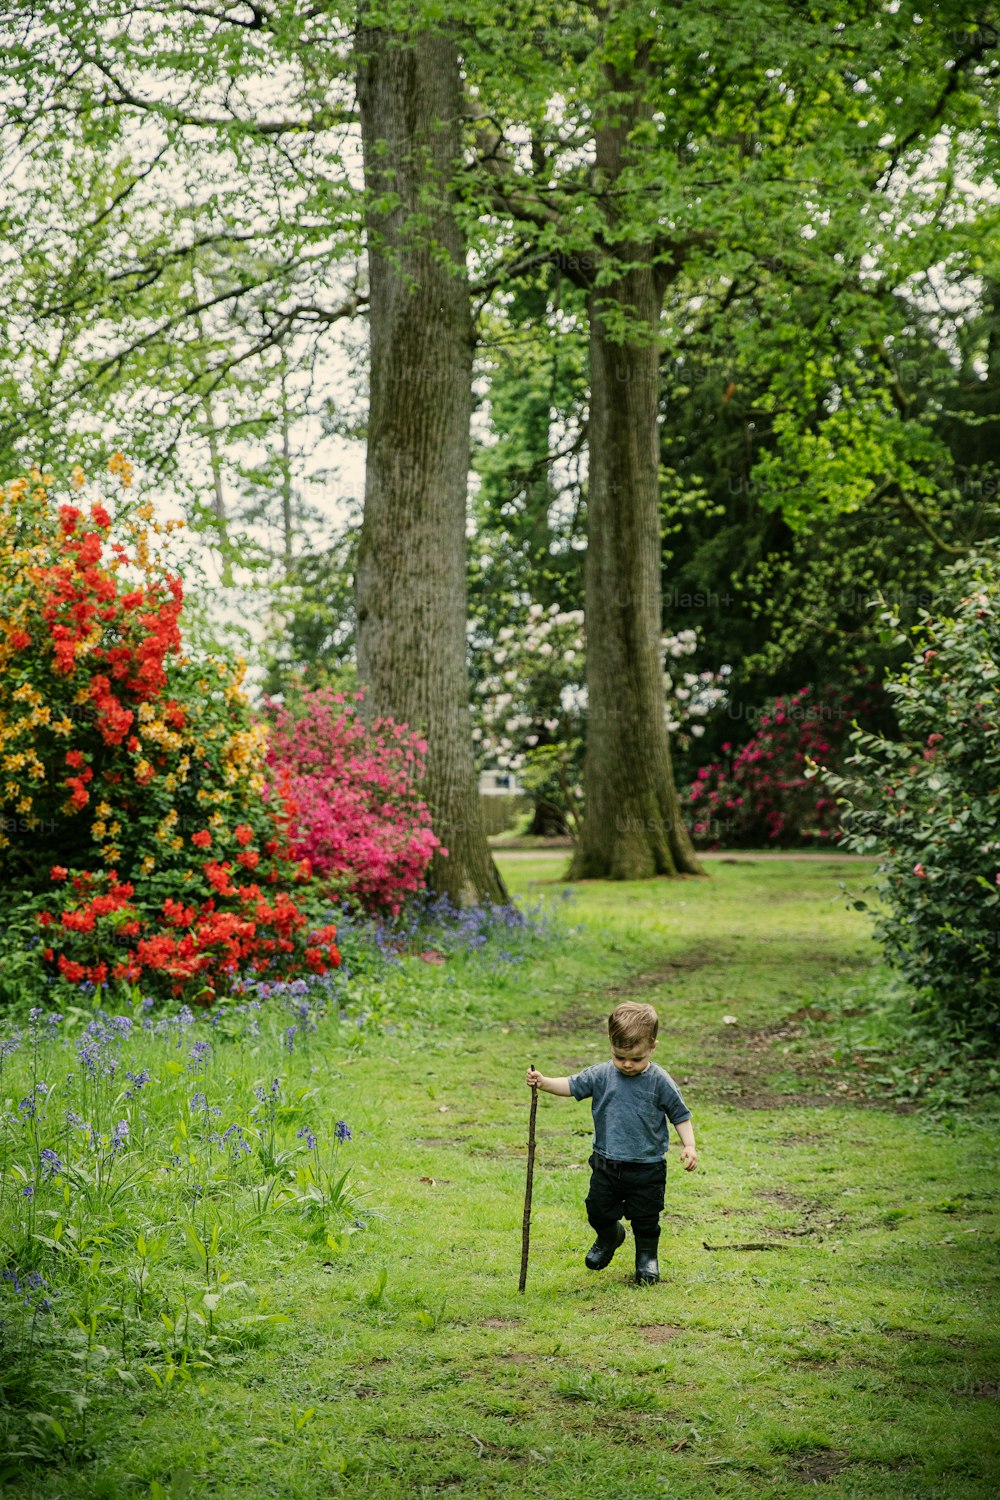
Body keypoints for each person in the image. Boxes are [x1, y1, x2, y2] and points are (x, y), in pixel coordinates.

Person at [525, 1001, 697, 1285]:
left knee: (646, 1218)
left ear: (652, 1047)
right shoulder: (601, 1075)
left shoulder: (660, 1081)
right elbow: (571, 1085)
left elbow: (680, 1115)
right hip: (606, 1162)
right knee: (597, 1209)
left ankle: (646, 1259)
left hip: (648, 1166)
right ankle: (610, 1236)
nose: (628, 1065)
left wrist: (689, 1146)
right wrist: (543, 1082)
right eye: (620, 1057)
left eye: (636, 1059)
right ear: (611, 1045)